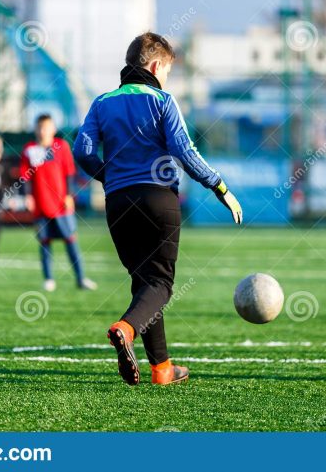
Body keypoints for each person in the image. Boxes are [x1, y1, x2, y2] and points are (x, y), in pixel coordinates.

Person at [73, 32, 242, 386]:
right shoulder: (162, 100)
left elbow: (83, 152)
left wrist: (110, 177)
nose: (167, 78)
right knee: (161, 283)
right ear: (154, 65)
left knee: (144, 282)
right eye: (167, 70)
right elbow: (184, 150)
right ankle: (125, 328)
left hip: (118, 202)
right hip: (158, 199)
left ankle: (162, 368)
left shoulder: (102, 102)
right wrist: (219, 185)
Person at [20, 114, 97, 292]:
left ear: (53, 129)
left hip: (61, 204)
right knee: (45, 242)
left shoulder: (61, 146)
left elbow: (69, 172)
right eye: (40, 127)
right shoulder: (29, 149)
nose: (43, 130)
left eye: (47, 127)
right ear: (35, 128)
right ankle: (48, 279)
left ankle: (81, 278)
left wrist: (69, 195)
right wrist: (27, 196)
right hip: (40, 205)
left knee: (71, 240)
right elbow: (25, 176)